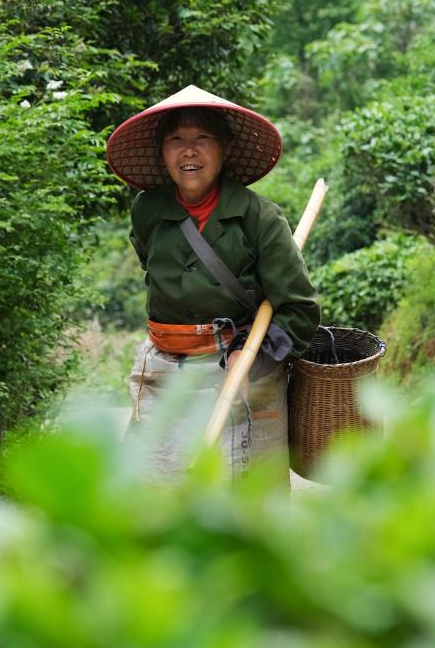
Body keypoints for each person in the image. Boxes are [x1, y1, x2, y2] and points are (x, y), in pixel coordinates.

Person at [105, 85, 320, 485]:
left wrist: (253, 359)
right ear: (161, 151)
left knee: (244, 505)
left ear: (223, 149)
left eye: (202, 138)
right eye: (176, 139)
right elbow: (154, 271)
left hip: (240, 376)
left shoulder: (260, 219)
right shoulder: (147, 211)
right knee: (159, 497)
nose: (189, 151)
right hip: (166, 373)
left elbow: (299, 310)